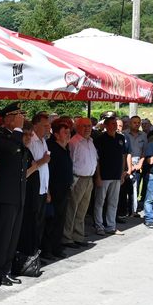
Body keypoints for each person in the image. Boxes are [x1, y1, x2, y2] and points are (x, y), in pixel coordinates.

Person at [0, 103, 30, 286]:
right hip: (6, 195)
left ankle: (6, 269)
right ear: (7, 118)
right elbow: (11, 150)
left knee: (13, 236)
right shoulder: (1, 137)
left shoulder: (16, 137)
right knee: (4, 236)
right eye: (17, 116)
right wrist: (18, 130)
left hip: (18, 193)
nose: (21, 119)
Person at [18, 112, 51, 258]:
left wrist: (47, 189)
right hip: (32, 189)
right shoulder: (31, 142)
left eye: (49, 125)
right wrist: (41, 161)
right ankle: (30, 253)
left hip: (42, 187)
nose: (48, 128)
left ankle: (37, 251)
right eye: (45, 125)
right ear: (36, 126)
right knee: (32, 222)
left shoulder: (43, 141)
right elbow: (29, 169)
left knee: (40, 222)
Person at [42, 117, 74, 261]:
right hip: (54, 191)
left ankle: (56, 247)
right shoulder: (52, 149)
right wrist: (48, 191)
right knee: (51, 221)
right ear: (56, 134)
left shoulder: (65, 148)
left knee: (60, 220)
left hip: (64, 190)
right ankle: (47, 249)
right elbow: (48, 172)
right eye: (65, 132)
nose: (68, 135)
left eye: (69, 132)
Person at [91, 112, 128, 236]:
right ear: (106, 126)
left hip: (116, 175)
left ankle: (111, 226)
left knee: (113, 202)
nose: (115, 126)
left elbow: (123, 156)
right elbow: (97, 159)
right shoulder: (100, 139)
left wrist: (122, 173)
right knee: (100, 202)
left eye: (116, 124)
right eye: (112, 124)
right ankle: (99, 225)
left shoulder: (120, 138)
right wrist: (98, 176)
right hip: (104, 175)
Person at [65, 117, 97, 248]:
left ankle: (78, 235)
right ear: (77, 127)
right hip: (78, 179)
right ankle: (67, 237)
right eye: (84, 126)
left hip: (88, 179)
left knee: (82, 210)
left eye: (89, 126)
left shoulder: (90, 141)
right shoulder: (74, 142)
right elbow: (70, 162)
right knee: (72, 209)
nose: (88, 128)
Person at [123, 115, 147, 216]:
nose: (137, 124)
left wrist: (140, 164)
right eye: (134, 122)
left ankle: (133, 210)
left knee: (135, 188)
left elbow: (144, 151)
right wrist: (128, 167)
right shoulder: (124, 134)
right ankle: (123, 209)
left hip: (137, 164)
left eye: (138, 123)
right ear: (129, 123)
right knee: (124, 188)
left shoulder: (143, 135)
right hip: (125, 164)